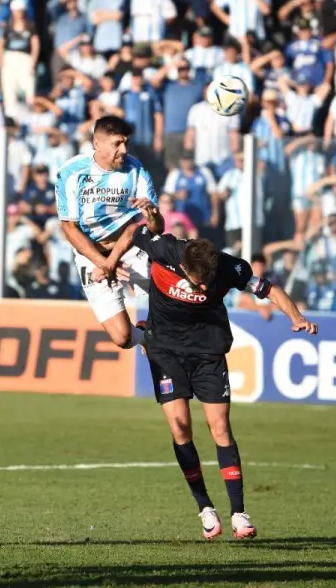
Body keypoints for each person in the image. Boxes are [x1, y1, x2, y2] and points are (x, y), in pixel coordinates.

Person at [110, 225, 316, 540]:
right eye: (198, 280)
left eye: (207, 280)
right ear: (183, 267)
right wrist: (109, 264)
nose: (203, 286)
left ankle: (239, 513)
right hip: (165, 352)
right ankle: (205, 507)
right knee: (180, 428)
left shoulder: (230, 267)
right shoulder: (165, 249)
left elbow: (270, 289)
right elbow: (131, 232)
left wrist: (296, 317)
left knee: (220, 429)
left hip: (208, 354)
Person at [55, 115, 164, 349]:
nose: (123, 150)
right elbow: (69, 228)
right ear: (97, 144)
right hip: (92, 255)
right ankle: (147, 338)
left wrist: (152, 213)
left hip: (132, 248)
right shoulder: (72, 172)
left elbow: (157, 229)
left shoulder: (135, 168)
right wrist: (105, 264)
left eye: (125, 143)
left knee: (173, 300)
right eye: (117, 143)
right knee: (123, 338)